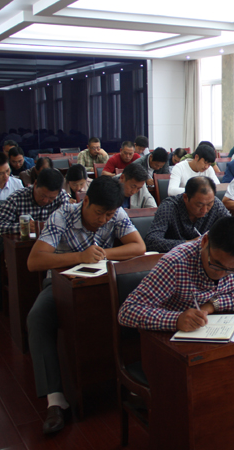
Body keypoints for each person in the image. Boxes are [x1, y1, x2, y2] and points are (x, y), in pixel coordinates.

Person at [26, 176, 145, 435]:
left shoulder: (116, 213)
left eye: (109, 215)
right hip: (60, 284)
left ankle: (133, 380)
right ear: (86, 200)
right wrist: (80, 256)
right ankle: (55, 399)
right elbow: (34, 261)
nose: (103, 220)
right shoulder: (62, 216)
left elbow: (139, 246)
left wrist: (102, 254)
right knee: (37, 318)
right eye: (99, 213)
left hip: (101, 283)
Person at [118, 216, 234, 332]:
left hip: (223, 333)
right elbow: (128, 311)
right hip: (175, 343)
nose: (222, 274)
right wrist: (176, 319)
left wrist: (214, 304)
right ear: (205, 242)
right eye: (216, 264)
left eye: (233, 270)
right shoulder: (176, 263)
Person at [0, 168, 68, 310]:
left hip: (52, 250)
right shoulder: (17, 198)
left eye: (51, 198)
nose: (46, 201)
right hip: (24, 254)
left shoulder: (62, 197)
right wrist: (22, 227)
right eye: (43, 195)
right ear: (35, 184)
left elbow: (70, 223)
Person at [145, 176, 230, 253]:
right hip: (174, 258)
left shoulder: (216, 204)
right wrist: (190, 244)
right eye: (199, 205)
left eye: (209, 204)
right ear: (185, 197)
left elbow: (232, 230)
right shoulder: (169, 207)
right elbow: (151, 241)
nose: (204, 210)